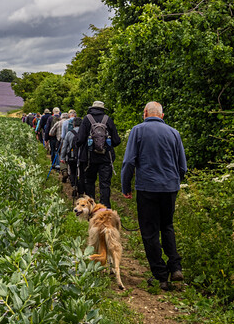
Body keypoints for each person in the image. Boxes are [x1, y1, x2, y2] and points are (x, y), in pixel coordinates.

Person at [120, 101, 187, 291]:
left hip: (147, 188)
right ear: (162, 116)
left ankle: (160, 276)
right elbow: (183, 166)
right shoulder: (174, 133)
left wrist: (126, 187)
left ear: (145, 113)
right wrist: (174, 182)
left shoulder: (138, 131)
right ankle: (175, 267)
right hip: (169, 188)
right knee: (167, 226)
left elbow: (128, 161)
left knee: (150, 231)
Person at [76, 101, 121, 209]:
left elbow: (80, 139)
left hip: (89, 158)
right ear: (102, 109)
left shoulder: (87, 119)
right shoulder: (108, 119)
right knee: (104, 184)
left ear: (92, 108)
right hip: (105, 158)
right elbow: (116, 141)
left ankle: (91, 208)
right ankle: (105, 207)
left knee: (89, 182)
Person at [61, 116, 82, 196]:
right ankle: (81, 189)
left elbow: (64, 146)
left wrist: (62, 157)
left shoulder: (69, 133)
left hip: (71, 156)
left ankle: (74, 185)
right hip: (82, 157)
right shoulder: (84, 133)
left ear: (73, 124)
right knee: (81, 173)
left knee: (72, 172)